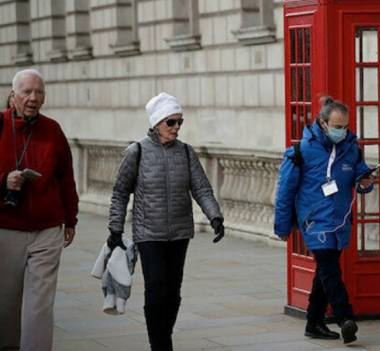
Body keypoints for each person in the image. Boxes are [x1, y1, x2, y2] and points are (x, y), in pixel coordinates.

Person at [108, 92, 225, 351]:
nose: (176, 127)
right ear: (156, 122)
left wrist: (215, 216)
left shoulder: (185, 152)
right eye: (171, 122)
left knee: (173, 293)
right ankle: (160, 344)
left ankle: (164, 335)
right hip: (148, 233)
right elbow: (119, 192)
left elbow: (202, 188)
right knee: (157, 291)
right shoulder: (136, 151)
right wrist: (115, 229)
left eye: (179, 122)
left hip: (180, 233)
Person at [275, 96, 374, 344]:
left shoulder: (351, 148)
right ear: (322, 122)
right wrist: (283, 226)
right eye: (337, 126)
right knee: (330, 268)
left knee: (324, 271)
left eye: (345, 126)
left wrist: (365, 182)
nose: (342, 131)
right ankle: (345, 318)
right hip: (314, 219)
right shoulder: (302, 150)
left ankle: (313, 321)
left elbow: (359, 176)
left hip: (339, 218)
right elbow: (285, 190)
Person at [0, 69, 80, 350]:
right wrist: (4, 180)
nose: (34, 98)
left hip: (47, 229)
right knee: (6, 302)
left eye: (39, 92)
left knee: (40, 304)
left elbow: (66, 178)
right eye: (27, 92)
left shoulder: (52, 130)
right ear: (13, 95)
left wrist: (70, 219)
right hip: (6, 228)